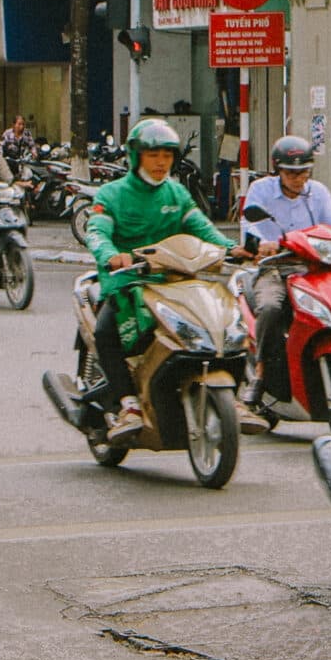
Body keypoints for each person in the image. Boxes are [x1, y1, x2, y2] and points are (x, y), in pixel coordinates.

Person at [82, 119, 233, 443]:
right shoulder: (112, 194)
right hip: (127, 283)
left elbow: (204, 229)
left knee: (223, 322)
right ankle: (129, 404)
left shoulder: (176, 193)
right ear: (136, 156)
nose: (162, 162)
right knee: (106, 333)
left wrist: (235, 249)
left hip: (173, 281)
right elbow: (96, 231)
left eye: (167, 155)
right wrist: (111, 254)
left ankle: (235, 396)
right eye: (153, 155)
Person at [239, 135, 331, 410]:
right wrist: (262, 245)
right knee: (272, 309)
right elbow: (248, 231)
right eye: (291, 173)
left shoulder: (318, 192)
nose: (298, 179)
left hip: (314, 269)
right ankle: (261, 375)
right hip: (275, 269)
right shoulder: (260, 191)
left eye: (304, 172)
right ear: (278, 171)